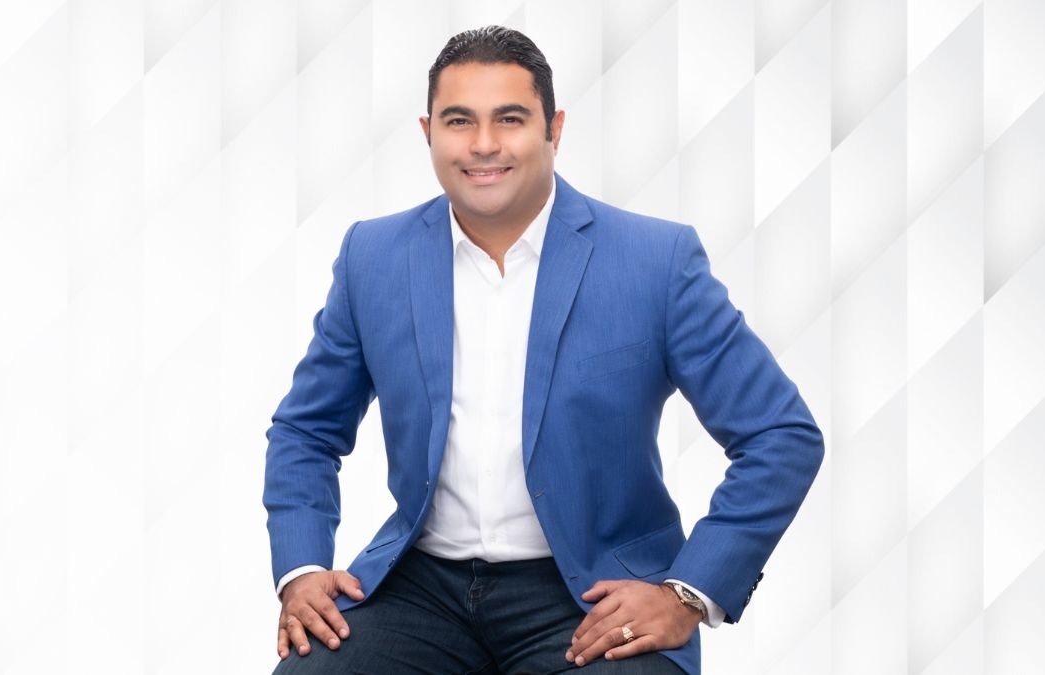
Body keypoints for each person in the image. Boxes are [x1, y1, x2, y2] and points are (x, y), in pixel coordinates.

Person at [264, 25, 823, 675]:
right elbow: (305, 430)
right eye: (458, 121)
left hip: (591, 591)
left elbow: (780, 434)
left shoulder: (655, 262)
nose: (483, 144)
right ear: (427, 133)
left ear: (554, 129)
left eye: (509, 118)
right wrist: (301, 569)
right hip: (419, 589)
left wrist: (689, 592)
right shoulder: (373, 257)